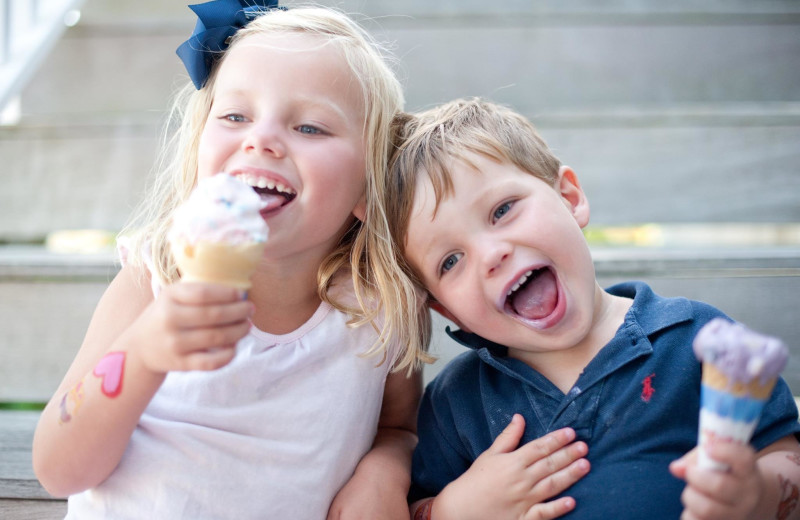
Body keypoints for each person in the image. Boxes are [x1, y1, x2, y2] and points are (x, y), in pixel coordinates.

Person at [32, 2, 425, 518]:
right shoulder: (155, 280)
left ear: (369, 187)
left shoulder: (381, 310)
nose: (259, 139)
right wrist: (146, 351)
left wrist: (385, 468)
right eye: (235, 116)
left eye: (309, 127)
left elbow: (398, 428)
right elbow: (58, 468)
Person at [379, 98, 800, 519]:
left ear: (569, 197)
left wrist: (755, 493)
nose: (491, 255)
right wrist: (453, 510)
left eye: (502, 210)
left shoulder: (693, 339)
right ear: (445, 310)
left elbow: (784, 455)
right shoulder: (457, 403)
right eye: (450, 261)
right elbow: (413, 506)